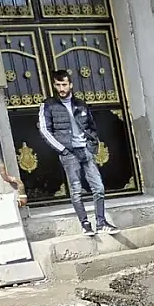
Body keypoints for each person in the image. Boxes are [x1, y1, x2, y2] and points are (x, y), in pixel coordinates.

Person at [38, 69, 120, 237]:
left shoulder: (81, 104)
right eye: (58, 85)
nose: (61, 88)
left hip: (86, 151)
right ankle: (85, 224)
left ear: (71, 85)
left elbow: (91, 126)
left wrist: (92, 145)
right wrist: (62, 149)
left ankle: (101, 222)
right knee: (76, 190)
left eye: (64, 84)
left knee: (99, 187)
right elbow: (45, 130)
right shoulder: (48, 105)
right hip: (69, 153)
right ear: (54, 85)